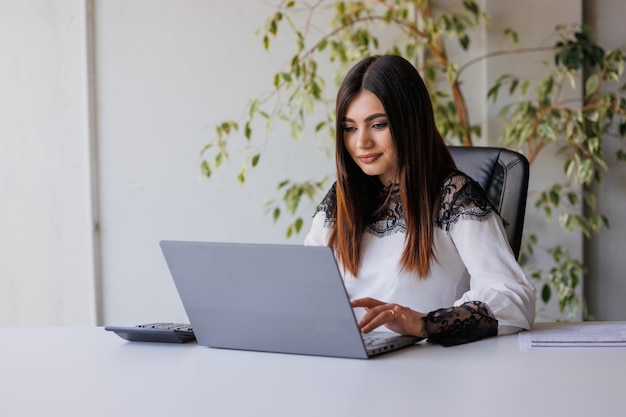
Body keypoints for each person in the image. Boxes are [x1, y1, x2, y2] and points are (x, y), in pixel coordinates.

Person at [304, 55, 535, 346]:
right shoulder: (340, 200)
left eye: (378, 125)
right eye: (350, 128)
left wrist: (425, 323)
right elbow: (307, 288)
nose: (361, 142)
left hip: (430, 370)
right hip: (350, 362)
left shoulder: (454, 198)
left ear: (409, 123)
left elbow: (513, 298)